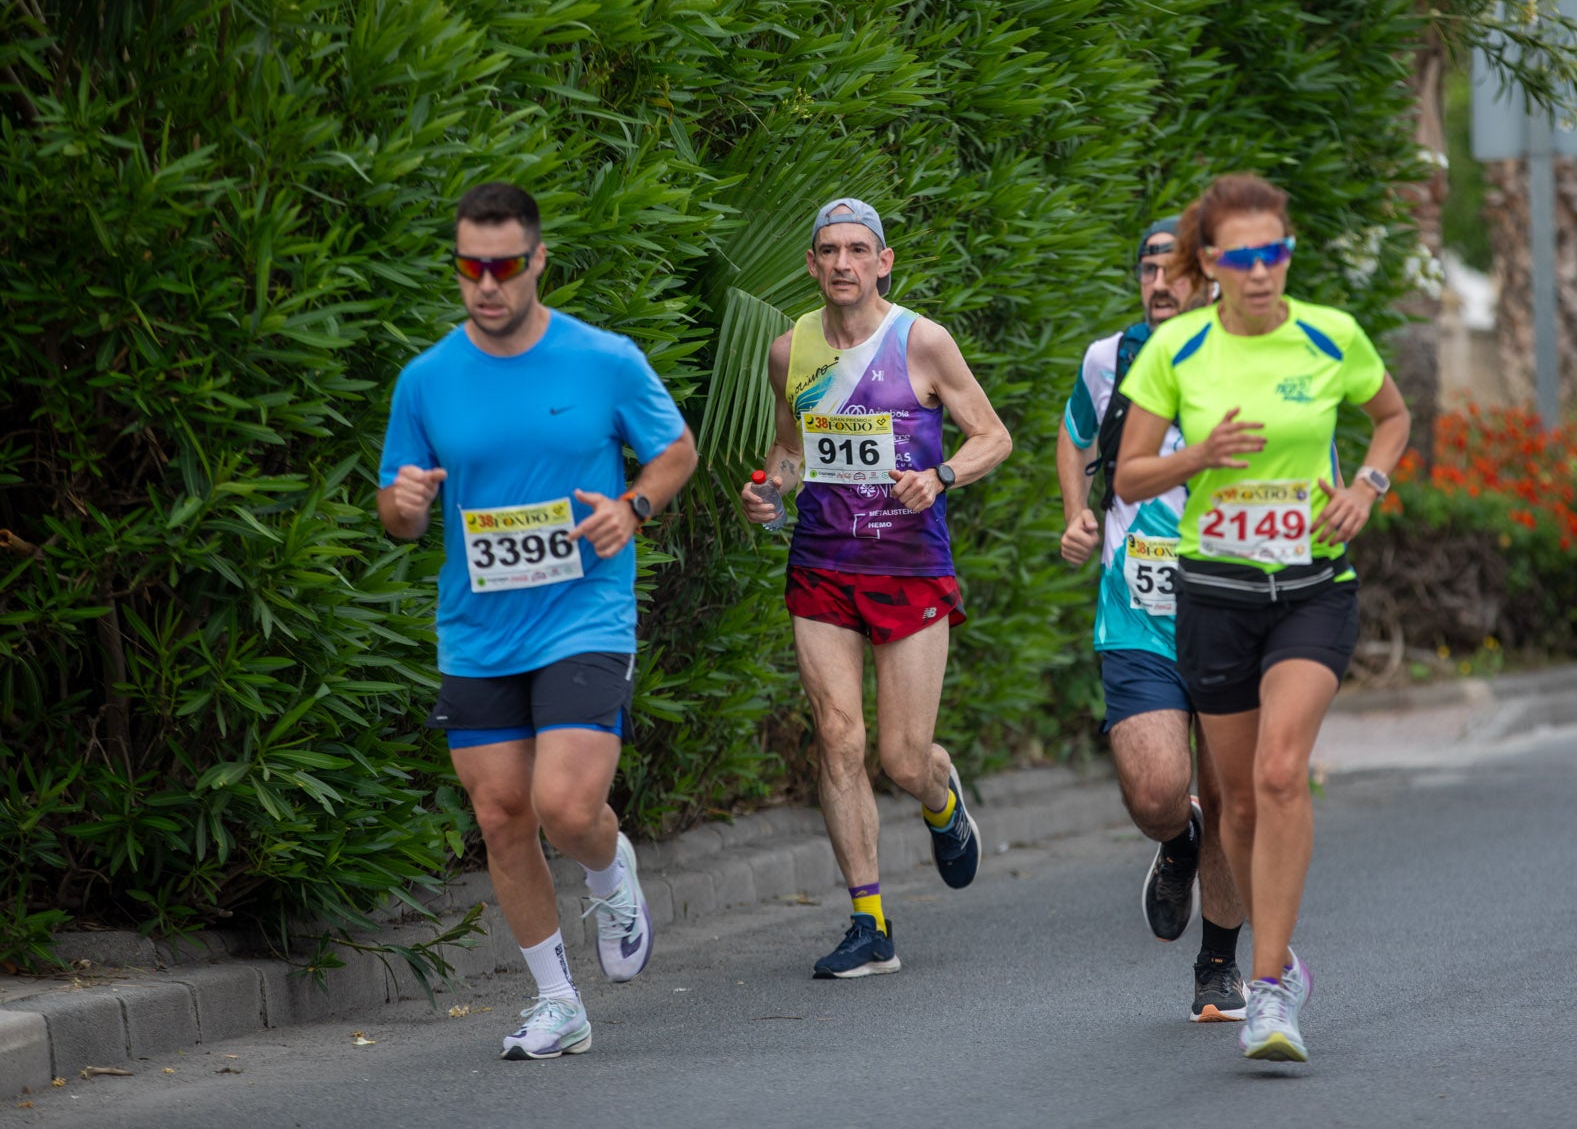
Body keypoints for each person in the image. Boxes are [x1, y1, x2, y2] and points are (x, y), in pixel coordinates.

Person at [377, 183, 697, 1060]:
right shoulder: (427, 379)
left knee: (564, 804)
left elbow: (676, 452)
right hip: (477, 628)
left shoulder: (605, 360)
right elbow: (397, 510)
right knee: (501, 814)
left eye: (504, 265)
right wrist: (402, 505)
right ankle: (559, 1001)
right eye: (470, 266)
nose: (486, 283)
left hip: (583, 613)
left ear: (537, 261)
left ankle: (607, 863)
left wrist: (632, 507)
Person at [1114, 174, 1409, 1063]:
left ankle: (1271, 986)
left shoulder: (1331, 334)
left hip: (1314, 587)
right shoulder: (1178, 351)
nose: (1260, 271)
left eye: (1273, 252)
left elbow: (1391, 416)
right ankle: (1272, 952)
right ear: (1209, 262)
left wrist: (1366, 484)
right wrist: (1198, 455)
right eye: (1240, 257)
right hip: (1216, 592)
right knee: (1236, 797)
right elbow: (1128, 476)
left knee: (1283, 771)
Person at [739, 198, 1012, 979]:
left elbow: (993, 433)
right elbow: (788, 452)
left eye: (858, 249)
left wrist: (942, 473)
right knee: (837, 735)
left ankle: (940, 794)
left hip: (910, 567)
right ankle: (869, 922)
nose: (842, 263)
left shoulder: (922, 341)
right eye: (828, 249)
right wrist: (768, 491)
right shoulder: (789, 349)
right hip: (822, 564)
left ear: (883, 261)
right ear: (811, 263)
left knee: (898, 755)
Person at [1057, 218, 1249, 1022]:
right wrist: (1076, 511)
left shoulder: (1250, 360)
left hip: (1237, 609)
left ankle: (1217, 966)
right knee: (1157, 792)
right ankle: (1177, 839)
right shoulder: (1112, 359)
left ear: (1208, 281)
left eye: (1176, 270)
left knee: (1227, 788)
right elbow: (1073, 438)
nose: (1159, 282)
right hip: (1138, 609)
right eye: (1148, 268)